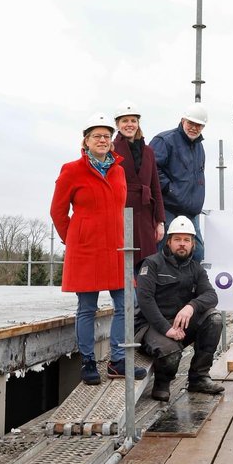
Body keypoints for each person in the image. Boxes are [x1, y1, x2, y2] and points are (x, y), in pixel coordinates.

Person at [50, 112, 148, 386]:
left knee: (126, 303)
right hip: (86, 249)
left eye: (106, 136)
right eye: (97, 136)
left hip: (116, 249)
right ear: (86, 141)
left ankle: (118, 361)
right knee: (87, 307)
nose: (102, 140)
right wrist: (74, 238)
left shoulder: (118, 170)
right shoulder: (72, 170)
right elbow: (58, 211)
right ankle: (88, 362)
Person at [136, 215, 226, 401]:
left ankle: (199, 378)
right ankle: (162, 383)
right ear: (168, 242)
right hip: (153, 326)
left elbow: (211, 295)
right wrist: (166, 329)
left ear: (193, 244)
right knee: (170, 353)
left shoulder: (196, 269)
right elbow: (145, 301)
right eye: (177, 239)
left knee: (214, 319)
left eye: (187, 240)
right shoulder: (151, 264)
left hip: (181, 323)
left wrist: (191, 306)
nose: (182, 244)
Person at [150, 105, 208, 262]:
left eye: (198, 125)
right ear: (183, 121)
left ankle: (190, 280)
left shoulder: (199, 147)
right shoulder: (164, 140)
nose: (194, 128)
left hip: (190, 211)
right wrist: (170, 190)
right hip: (167, 208)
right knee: (162, 252)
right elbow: (152, 169)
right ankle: (158, 279)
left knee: (197, 253)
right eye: (191, 123)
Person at [113, 101, 165, 270]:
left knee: (145, 265)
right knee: (122, 262)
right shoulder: (111, 149)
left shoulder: (148, 151)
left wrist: (160, 221)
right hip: (121, 212)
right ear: (117, 124)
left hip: (145, 215)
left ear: (138, 123)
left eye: (133, 120)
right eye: (125, 121)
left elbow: (155, 187)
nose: (129, 124)